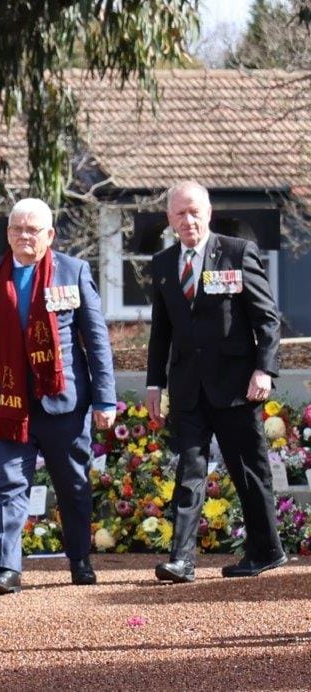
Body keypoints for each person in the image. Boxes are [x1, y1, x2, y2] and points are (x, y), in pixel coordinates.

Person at [0, 198, 117, 595]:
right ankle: (8, 568)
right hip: (8, 401)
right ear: (7, 234)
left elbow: (95, 339)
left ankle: (80, 559)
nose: (24, 236)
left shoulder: (74, 271)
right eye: (16, 229)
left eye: (32, 230)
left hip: (64, 400)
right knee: (7, 484)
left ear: (49, 235)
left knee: (72, 483)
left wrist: (105, 399)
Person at [146, 181, 285, 583]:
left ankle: (267, 551)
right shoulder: (164, 264)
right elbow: (161, 331)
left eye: (194, 212)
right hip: (188, 387)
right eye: (179, 214)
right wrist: (155, 385)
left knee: (249, 473)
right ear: (169, 219)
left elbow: (267, 319)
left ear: (208, 212)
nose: (187, 220)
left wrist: (265, 369)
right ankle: (182, 560)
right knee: (188, 470)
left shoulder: (237, 252)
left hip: (237, 386)